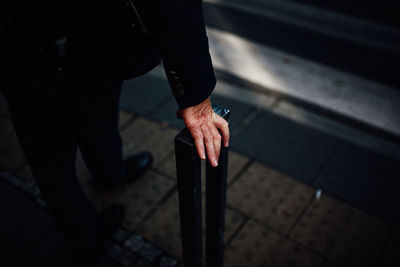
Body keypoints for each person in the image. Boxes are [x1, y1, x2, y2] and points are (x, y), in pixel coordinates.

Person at [0, 0, 230, 264]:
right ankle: (100, 194)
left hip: (21, 45)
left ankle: (96, 202)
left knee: (49, 154)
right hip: (75, 41)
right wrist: (196, 96)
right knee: (79, 132)